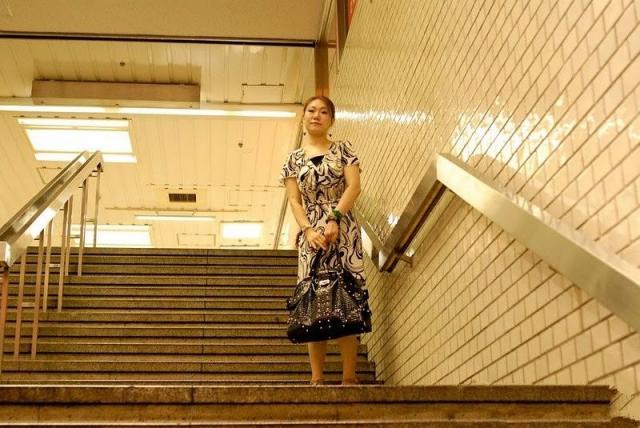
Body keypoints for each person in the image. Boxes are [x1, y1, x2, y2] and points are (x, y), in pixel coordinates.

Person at [280, 95, 367, 386]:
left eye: (323, 112)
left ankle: (349, 377)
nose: (316, 115)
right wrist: (307, 230)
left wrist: (334, 217)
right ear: (303, 117)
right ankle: (316, 378)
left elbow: (354, 186)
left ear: (331, 119)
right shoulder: (293, 159)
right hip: (311, 237)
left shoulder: (343, 149)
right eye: (311, 110)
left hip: (343, 232)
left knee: (347, 298)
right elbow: (295, 200)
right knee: (313, 302)